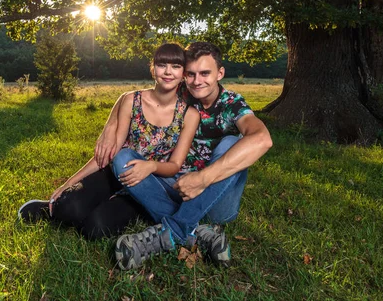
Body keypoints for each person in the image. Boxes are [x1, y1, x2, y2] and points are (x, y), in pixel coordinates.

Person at [97, 42, 273, 270]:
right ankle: (198, 231)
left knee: (232, 143)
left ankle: (171, 232)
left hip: (216, 198)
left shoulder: (232, 104)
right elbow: (131, 98)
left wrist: (202, 179)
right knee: (123, 160)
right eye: (190, 74)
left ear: (220, 73)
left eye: (205, 73)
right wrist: (111, 125)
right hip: (176, 186)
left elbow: (262, 139)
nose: (197, 81)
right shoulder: (183, 91)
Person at [17, 43, 200, 239]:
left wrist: (151, 167)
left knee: (95, 228)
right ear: (153, 69)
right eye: (162, 65)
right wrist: (68, 184)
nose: (168, 72)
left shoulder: (189, 114)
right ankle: (53, 206)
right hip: (115, 173)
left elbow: (174, 166)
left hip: (146, 185)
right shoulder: (132, 101)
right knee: (69, 209)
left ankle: (127, 208)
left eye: (176, 66)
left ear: (183, 74)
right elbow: (111, 152)